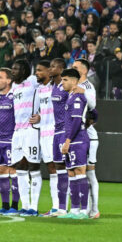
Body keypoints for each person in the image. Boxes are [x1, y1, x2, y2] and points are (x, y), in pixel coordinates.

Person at [57, 68, 91, 220]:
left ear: (74, 81)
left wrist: (68, 141)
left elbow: (77, 120)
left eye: (65, 80)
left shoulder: (77, 97)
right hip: (70, 139)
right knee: (71, 173)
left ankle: (84, 210)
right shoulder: (71, 96)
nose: (62, 82)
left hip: (77, 140)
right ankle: (75, 209)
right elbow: (93, 114)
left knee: (80, 172)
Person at [10, 59, 41, 216]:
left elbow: (46, 93)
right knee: (19, 168)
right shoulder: (14, 86)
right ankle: (26, 205)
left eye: (16, 69)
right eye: (12, 68)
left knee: (33, 167)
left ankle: (34, 207)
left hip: (31, 130)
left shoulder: (33, 81)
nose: (13, 71)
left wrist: (41, 115)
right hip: (17, 131)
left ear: (24, 71)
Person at [73, 58, 100, 219]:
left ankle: (94, 208)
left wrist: (81, 92)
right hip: (76, 136)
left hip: (89, 137)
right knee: (77, 173)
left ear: (84, 70)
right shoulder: (71, 85)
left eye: (76, 67)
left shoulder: (88, 87)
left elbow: (92, 106)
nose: (72, 68)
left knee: (89, 174)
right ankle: (83, 207)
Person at [32, 60, 58, 215]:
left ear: (49, 72)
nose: (37, 73)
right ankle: (56, 206)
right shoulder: (40, 88)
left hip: (55, 132)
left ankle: (59, 206)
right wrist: (40, 116)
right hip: (44, 132)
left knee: (57, 168)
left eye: (40, 70)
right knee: (51, 168)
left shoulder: (57, 87)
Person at [45, 58, 70, 216]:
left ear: (61, 69)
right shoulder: (53, 86)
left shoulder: (67, 87)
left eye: (53, 66)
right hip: (56, 131)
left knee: (72, 170)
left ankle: (77, 207)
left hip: (66, 131)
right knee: (59, 168)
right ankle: (61, 207)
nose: (50, 69)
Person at [0, 68, 17, 214]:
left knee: (13, 171)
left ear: (9, 80)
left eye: (1, 78)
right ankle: (5, 205)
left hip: (11, 140)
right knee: (1, 171)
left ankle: (14, 205)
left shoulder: (14, 96)